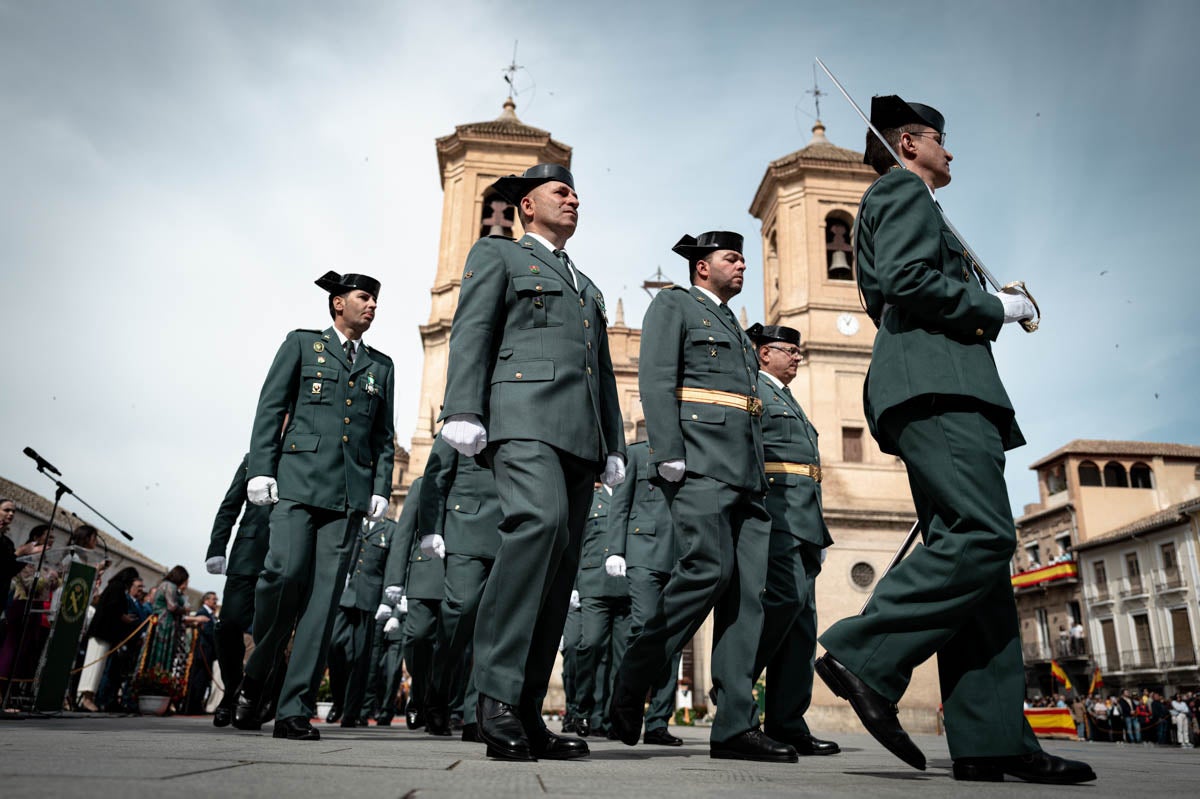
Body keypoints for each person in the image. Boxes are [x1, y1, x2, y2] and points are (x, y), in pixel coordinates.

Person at [811, 94, 1094, 784]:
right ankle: (863, 653)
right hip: (939, 390)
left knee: (981, 575)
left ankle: (992, 740)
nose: (950, 150)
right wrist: (997, 306)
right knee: (983, 535)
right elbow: (904, 280)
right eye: (941, 138)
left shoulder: (905, 202)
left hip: (942, 389)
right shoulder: (903, 192)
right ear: (910, 143)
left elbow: (898, 285)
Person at [438, 163, 626, 761]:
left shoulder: (586, 286)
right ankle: (493, 698)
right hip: (521, 418)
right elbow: (472, 330)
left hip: (580, 437)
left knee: (559, 565)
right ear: (527, 205)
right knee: (537, 526)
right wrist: (462, 407)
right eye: (560, 191)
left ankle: (525, 709)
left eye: (576, 193)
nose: (574, 200)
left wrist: (614, 444)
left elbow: (603, 372)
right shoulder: (499, 255)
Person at [610, 231, 789, 762]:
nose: (742, 266)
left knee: (748, 597)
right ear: (702, 267)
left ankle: (734, 725)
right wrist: (667, 449)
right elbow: (656, 376)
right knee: (707, 572)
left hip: (747, 474)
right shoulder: (675, 305)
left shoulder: (734, 325)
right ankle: (635, 676)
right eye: (731, 258)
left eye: (744, 259)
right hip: (701, 462)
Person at [230, 271, 395, 741]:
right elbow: (270, 407)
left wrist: (380, 486)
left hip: (347, 497)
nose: (372, 306)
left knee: (322, 605)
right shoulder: (302, 345)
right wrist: (262, 468)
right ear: (338, 303)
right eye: (364, 297)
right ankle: (257, 673)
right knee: (282, 577)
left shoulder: (381, 366)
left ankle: (294, 709)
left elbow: (383, 435)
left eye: (375, 300)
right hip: (297, 485)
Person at [744, 323, 838, 757]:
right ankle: (736, 684)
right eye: (789, 350)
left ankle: (787, 722)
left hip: (806, 518)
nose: (798, 356)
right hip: (777, 512)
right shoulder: (754, 390)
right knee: (784, 600)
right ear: (765, 353)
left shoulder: (789, 399)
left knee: (803, 622)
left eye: (798, 351)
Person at [417, 435, 503, 738]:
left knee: (493, 627)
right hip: (466, 526)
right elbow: (436, 476)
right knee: (460, 611)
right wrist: (430, 528)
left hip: (508, 530)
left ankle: (474, 715)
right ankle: (437, 694)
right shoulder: (463, 417)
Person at [606, 439, 683, 746]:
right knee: (643, 629)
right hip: (643, 551)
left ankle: (658, 722)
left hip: (679, 554)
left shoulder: (689, 452)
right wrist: (615, 549)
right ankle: (624, 708)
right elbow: (621, 502)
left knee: (674, 639)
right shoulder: (637, 453)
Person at [205, 453, 273, 727]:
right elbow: (230, 506)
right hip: (247, 555)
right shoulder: (254, 459)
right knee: (228, 625)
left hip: (283, 558)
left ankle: (252, 697)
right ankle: (233, 688)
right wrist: (216, 547)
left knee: (268, 635)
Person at [326, 512, 399, 727]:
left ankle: (351, 711)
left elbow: (392, 566)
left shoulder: (390, 529)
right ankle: (339, 700)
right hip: (344, 594)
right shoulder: (353, 521)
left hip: (370, 598)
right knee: (334, 645)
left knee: (361, 658)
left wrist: (387, 601)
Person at [572, 484, 631, 738]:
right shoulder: (591, 499)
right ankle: (582, 708)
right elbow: (576, 542)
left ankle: (612, 717)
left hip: (626, 587)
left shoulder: (630, 497)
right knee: (591, 644)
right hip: (594, 584)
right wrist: (574, 586)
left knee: (622, 657)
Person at [185, 591, 218, 714]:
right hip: (202, 652)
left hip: (209, 652)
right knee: (198, 679)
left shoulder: (212, 615)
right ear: (206, 600)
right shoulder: (202, 613)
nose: (215, 602)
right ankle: (193, 706)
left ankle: (198, 704)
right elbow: (209, 632)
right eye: (213, 599)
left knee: (204, 680)